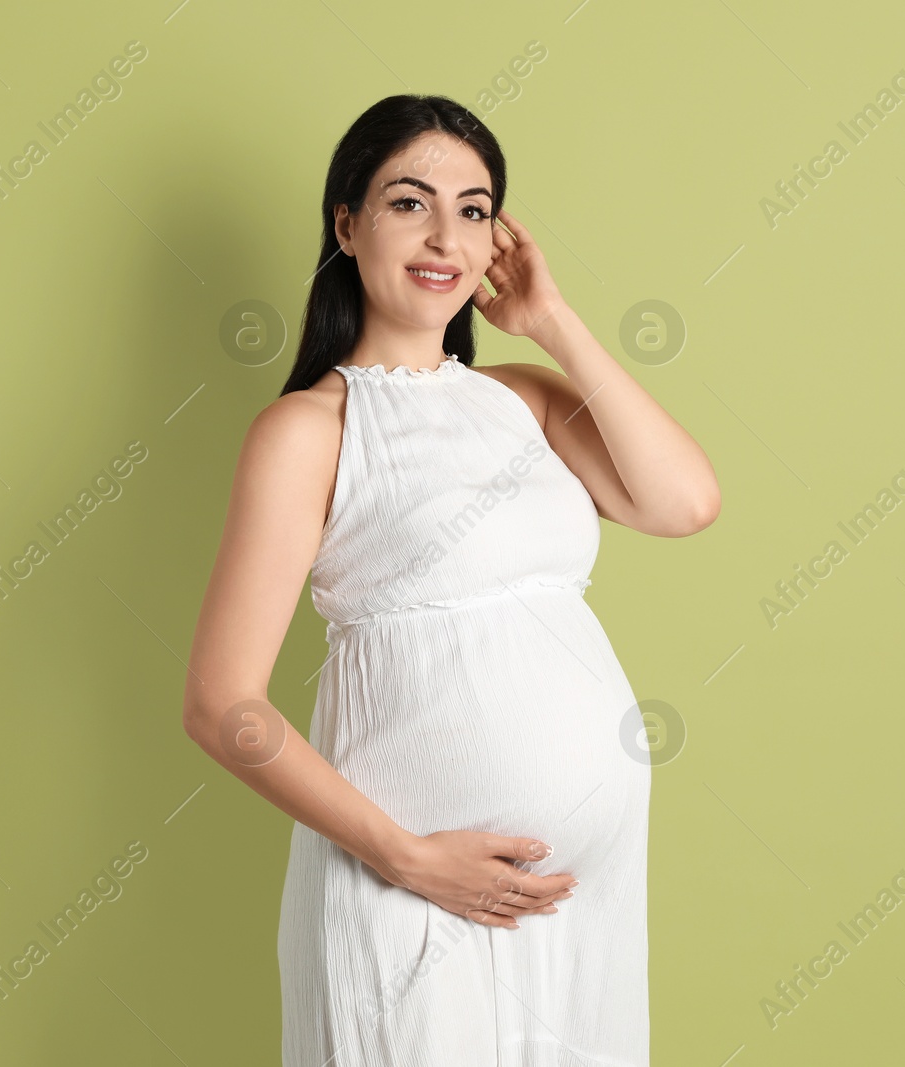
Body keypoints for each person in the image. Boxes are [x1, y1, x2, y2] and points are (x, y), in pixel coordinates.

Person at [182, 94, 720, 1066]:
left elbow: (683, 501)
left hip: (574, 915)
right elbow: (223, 704)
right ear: (346, 225)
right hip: (409, 902)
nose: (444, 235)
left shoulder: (523, 398)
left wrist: (550, 319)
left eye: (473, 209)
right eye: (408, 202)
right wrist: (410, 858)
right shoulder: (310, 430)